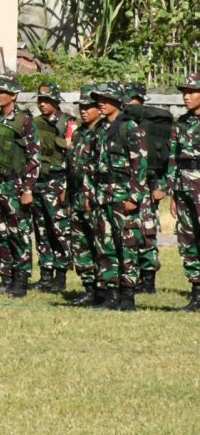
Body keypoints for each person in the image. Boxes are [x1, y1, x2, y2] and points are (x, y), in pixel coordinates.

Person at [91, 82, 148, 311]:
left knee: (127, 245)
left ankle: (128, 295)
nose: (100, 103)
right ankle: (111, 292)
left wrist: (134, 197)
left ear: (118, 102)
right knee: (105, 245)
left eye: (105, 99)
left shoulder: (130, 128)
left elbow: (139, 163)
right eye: (99, 99)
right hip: (102, 195)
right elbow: (93, 164)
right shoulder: (99, 129)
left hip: (123, 194)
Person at [0, 73, 40, 298]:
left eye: (3, 92)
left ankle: (21, 279)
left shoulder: (24, 121)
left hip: (15, 186)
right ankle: (5, 277)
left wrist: (28, 188)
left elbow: (34, 155)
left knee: (19, 233)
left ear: (14, 95)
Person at [123, 82, 171, 294]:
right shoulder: (124, 124)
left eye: (131, 101)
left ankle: (148, 279)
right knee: (129, 233)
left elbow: (164, 159)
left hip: (149, 185)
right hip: (126, 184)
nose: (128, 105)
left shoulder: (153, 123)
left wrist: (160, 186)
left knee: (147, 232)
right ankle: (132, 277)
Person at [32, 81, 77, 292]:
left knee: (59, 229)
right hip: (39, 181)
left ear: (56, 101)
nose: (42, 104)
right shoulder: (35, 123)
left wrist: (67, 188)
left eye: (47, 100)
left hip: (59, 181)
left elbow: (73, 156)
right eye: (40, 100)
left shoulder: (68, 123)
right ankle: (45, 274)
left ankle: (60, 275)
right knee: (41, 229)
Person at [66, 85, 105, 307]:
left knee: (100, 243)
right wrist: (70, 196)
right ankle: (89, 287)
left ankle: (104, 289)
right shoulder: (80, 133)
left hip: (96, 198)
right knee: (80, 245)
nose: (84, 110)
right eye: (81, 106)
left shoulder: (103, 133)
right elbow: (72, 168)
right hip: (78, 196)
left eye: (89, 106)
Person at [166, 74, 200, 311]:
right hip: (184, 187)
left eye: (191, 92)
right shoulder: (182, 122)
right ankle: (196, 292)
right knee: (188, 240)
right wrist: (173, 194)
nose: (185, 97)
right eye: (184, 92)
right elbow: (173, 158)